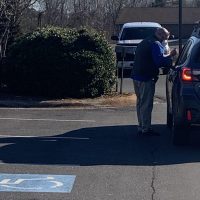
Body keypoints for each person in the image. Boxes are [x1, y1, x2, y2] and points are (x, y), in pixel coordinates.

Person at [131, 27, 177, 136]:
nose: (165, 40)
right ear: (161, 35)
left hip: (136, 76)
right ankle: (145, 129)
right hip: (146, 78)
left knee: (140, 103)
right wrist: (171, 55)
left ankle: (141, 126)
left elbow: (155, 58)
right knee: (146, 104)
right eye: (166, 37)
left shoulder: (145, 41)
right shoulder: (155, 44)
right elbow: (159, 61)